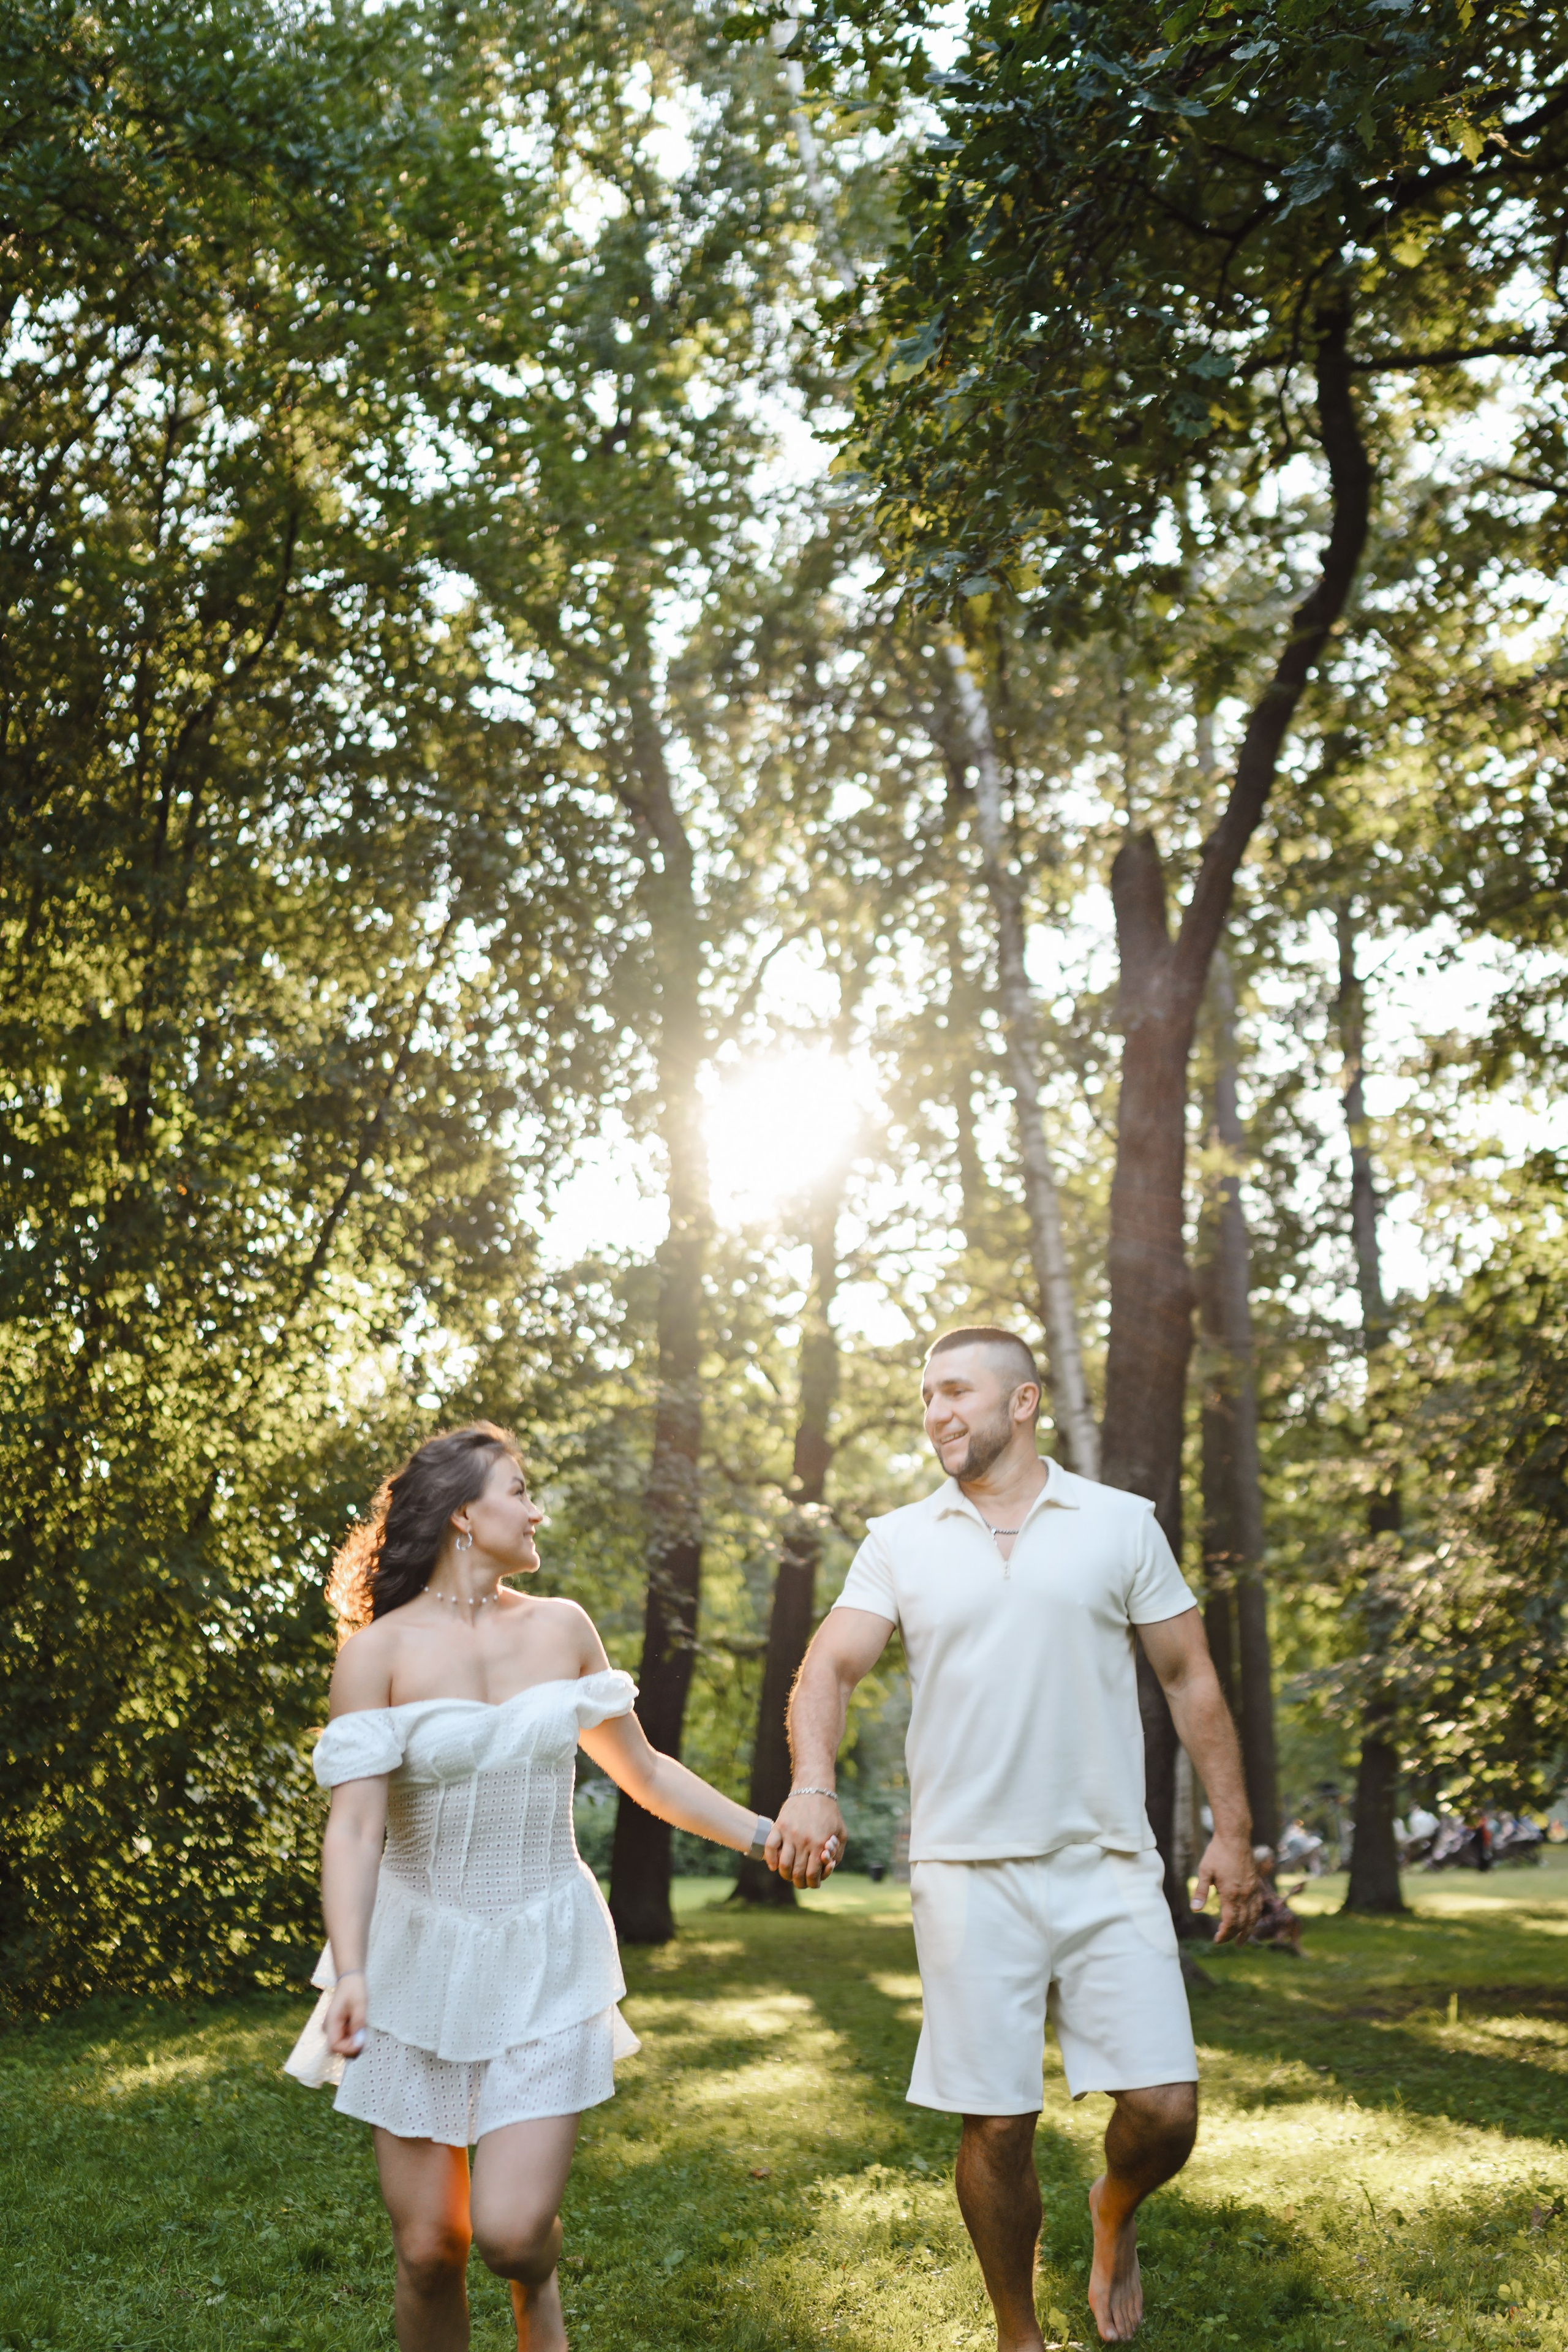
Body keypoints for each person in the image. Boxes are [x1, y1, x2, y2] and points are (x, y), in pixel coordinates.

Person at [284, 1422, 829, 2352]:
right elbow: (357, 1827)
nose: (538, 1509)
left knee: (507, 2233)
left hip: (544, 1949)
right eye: (520, 1489)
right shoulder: (377, 1654)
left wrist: (765, 1835)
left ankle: (537, 2287)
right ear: (464, 1514)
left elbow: (647, 1773)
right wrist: (355, 1970)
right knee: (427, 2247)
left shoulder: (563, 1627)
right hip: (412, 1960)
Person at [767, 1328, 1261, 2348]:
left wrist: (1235, 1834)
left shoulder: (1121, 1525)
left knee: (1167, 2111)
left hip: (1108, 1864)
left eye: (956, 1392)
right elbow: (828, 1670)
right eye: (925, 1398)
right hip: (964, 1873)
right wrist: (812, 1784)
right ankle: (1018, 2334)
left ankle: (1112, 2209)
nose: (937, 1413)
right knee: (996, 2123)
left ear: (1024, 1401)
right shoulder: (899, 1538)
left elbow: (1189, 1677)